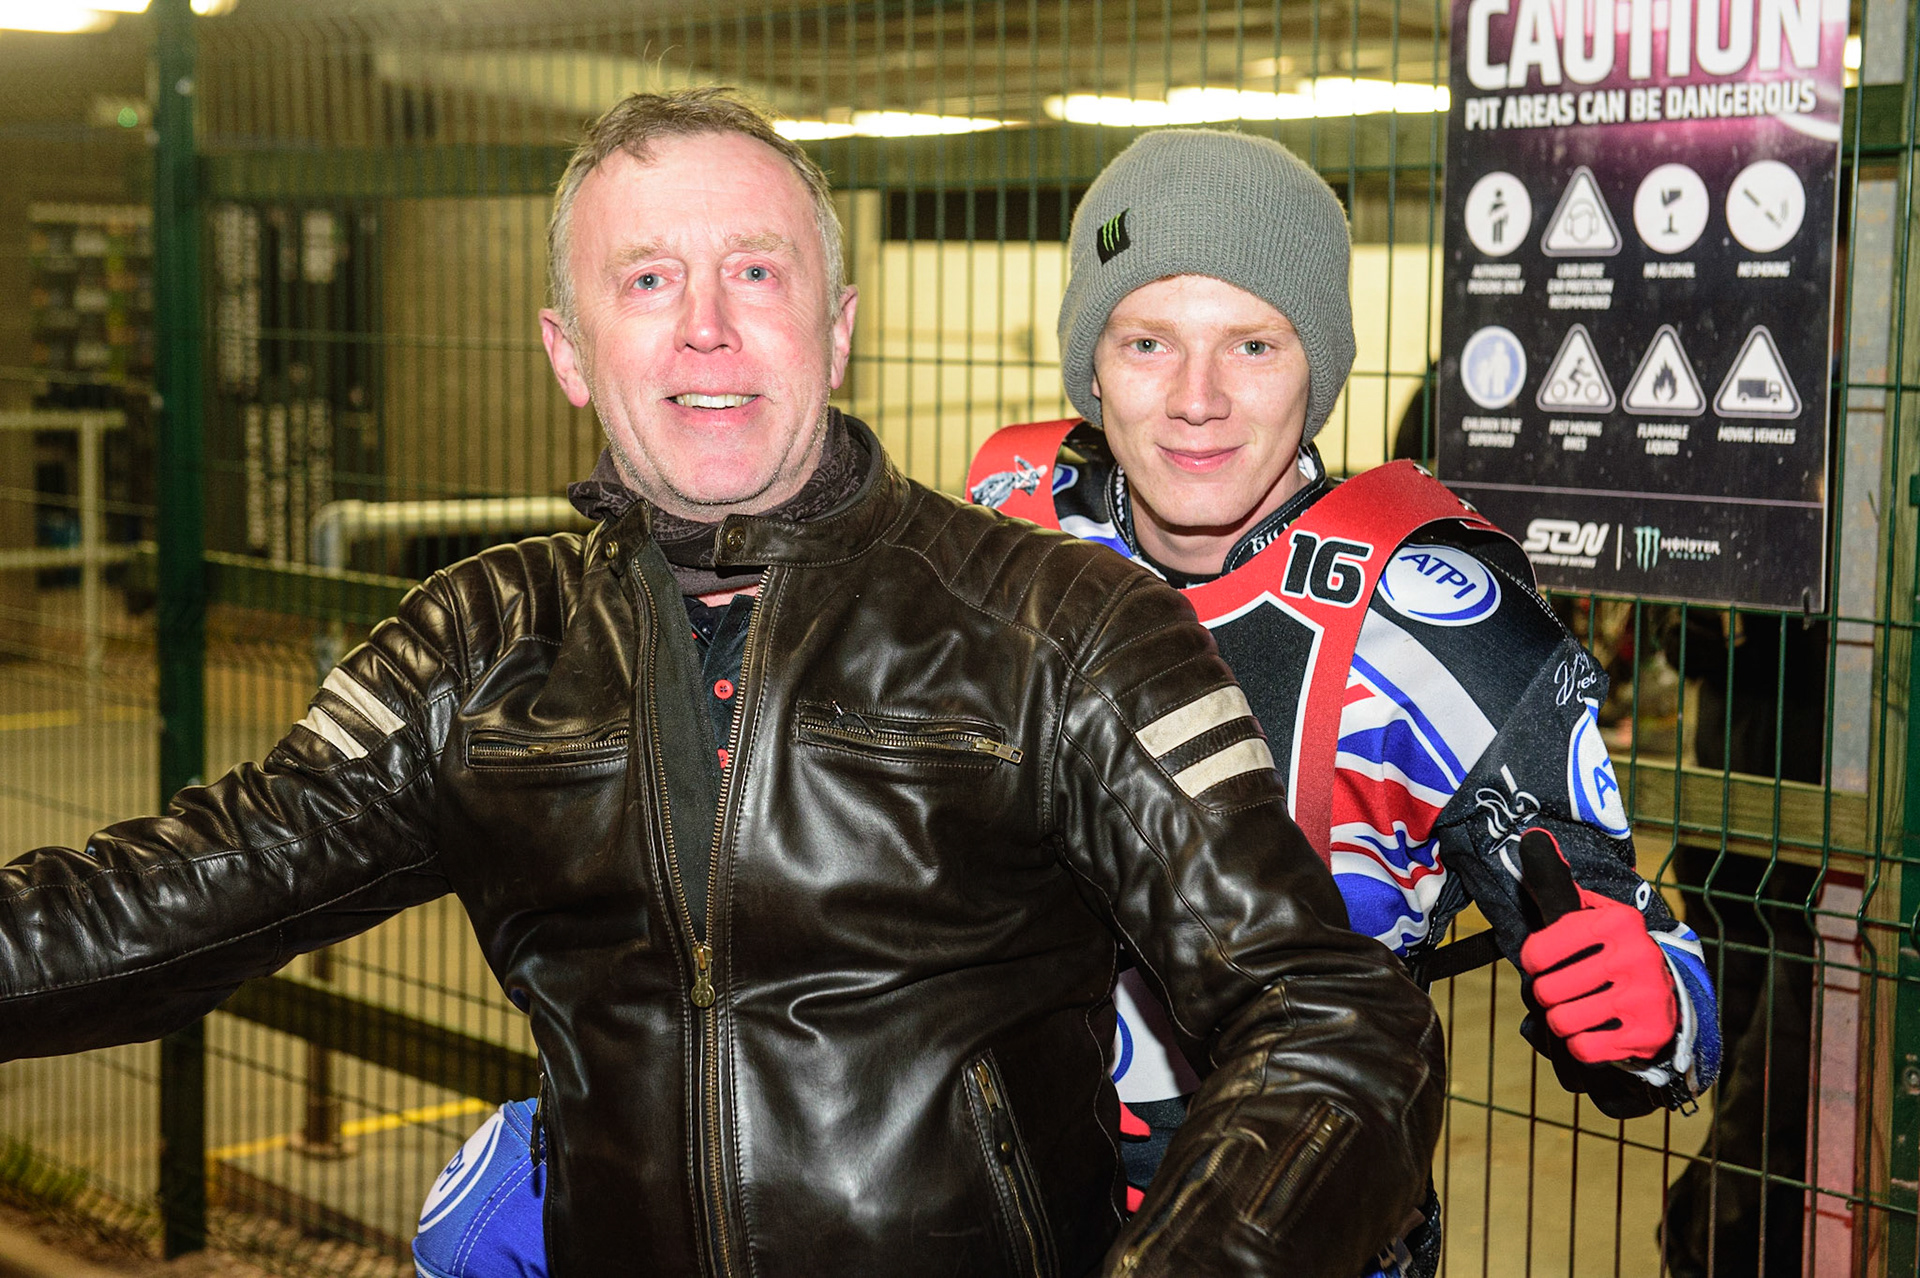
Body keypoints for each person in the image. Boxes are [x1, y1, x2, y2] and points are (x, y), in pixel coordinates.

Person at [0, 91, 1445, 1278]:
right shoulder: (481, 644)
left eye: (756, 272)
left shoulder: (1060, 625)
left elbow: (1330, 1019)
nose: (706, 325)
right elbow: (173, 895)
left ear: (839, 326)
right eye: (646, 281)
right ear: (571, 352)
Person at [960, 129, 1722, 1274]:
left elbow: (1639, 965)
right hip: (1007, 1224)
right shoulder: (997, 545)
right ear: (1093, 364)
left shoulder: (1440, 623)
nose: (1197, 400)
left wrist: (1655, 1005)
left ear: (1317, 367)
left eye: (1254, 344)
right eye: (1148, 341)